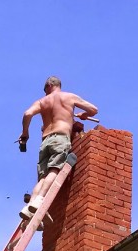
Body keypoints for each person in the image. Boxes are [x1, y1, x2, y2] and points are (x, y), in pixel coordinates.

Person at [18, 76, 98, 227]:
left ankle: (29, 208)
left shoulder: (42, 102)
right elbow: (94, 110)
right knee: (54, 169)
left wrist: (25, 133)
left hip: (45, 141)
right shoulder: (69, 97)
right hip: (60, 138)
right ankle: (40, 199)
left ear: (49, 85)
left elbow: (27, 114)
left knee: (42, 177)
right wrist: (84, 115)